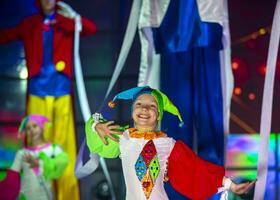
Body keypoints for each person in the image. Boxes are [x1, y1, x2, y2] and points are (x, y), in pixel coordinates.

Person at [85, 86, 255, 200]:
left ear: (158, 115)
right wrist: (96, 125)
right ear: (132, 112)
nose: (144, 109)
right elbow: (95, 126)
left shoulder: (168, 144)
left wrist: (231, 185)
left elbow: (196, 169)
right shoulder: (123, 137)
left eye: (151, 106)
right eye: (139, 104)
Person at [0, 0, 97, 199]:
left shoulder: (65, 22)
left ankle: (65, 196)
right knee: (36, 145)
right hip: (37, 92)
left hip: (60, 92)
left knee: (63, 148)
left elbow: (90, 29)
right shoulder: (30, 23)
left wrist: (71, 15)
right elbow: (6, 35)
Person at [0, 114, 68, 200]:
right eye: (28, 128)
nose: (31, 130)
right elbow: (11, 181)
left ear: (42, 127)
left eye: (34, 126)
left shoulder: (53, 149)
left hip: (45, 195)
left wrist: (40, 163)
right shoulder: (22, 153)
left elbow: (61, 165)